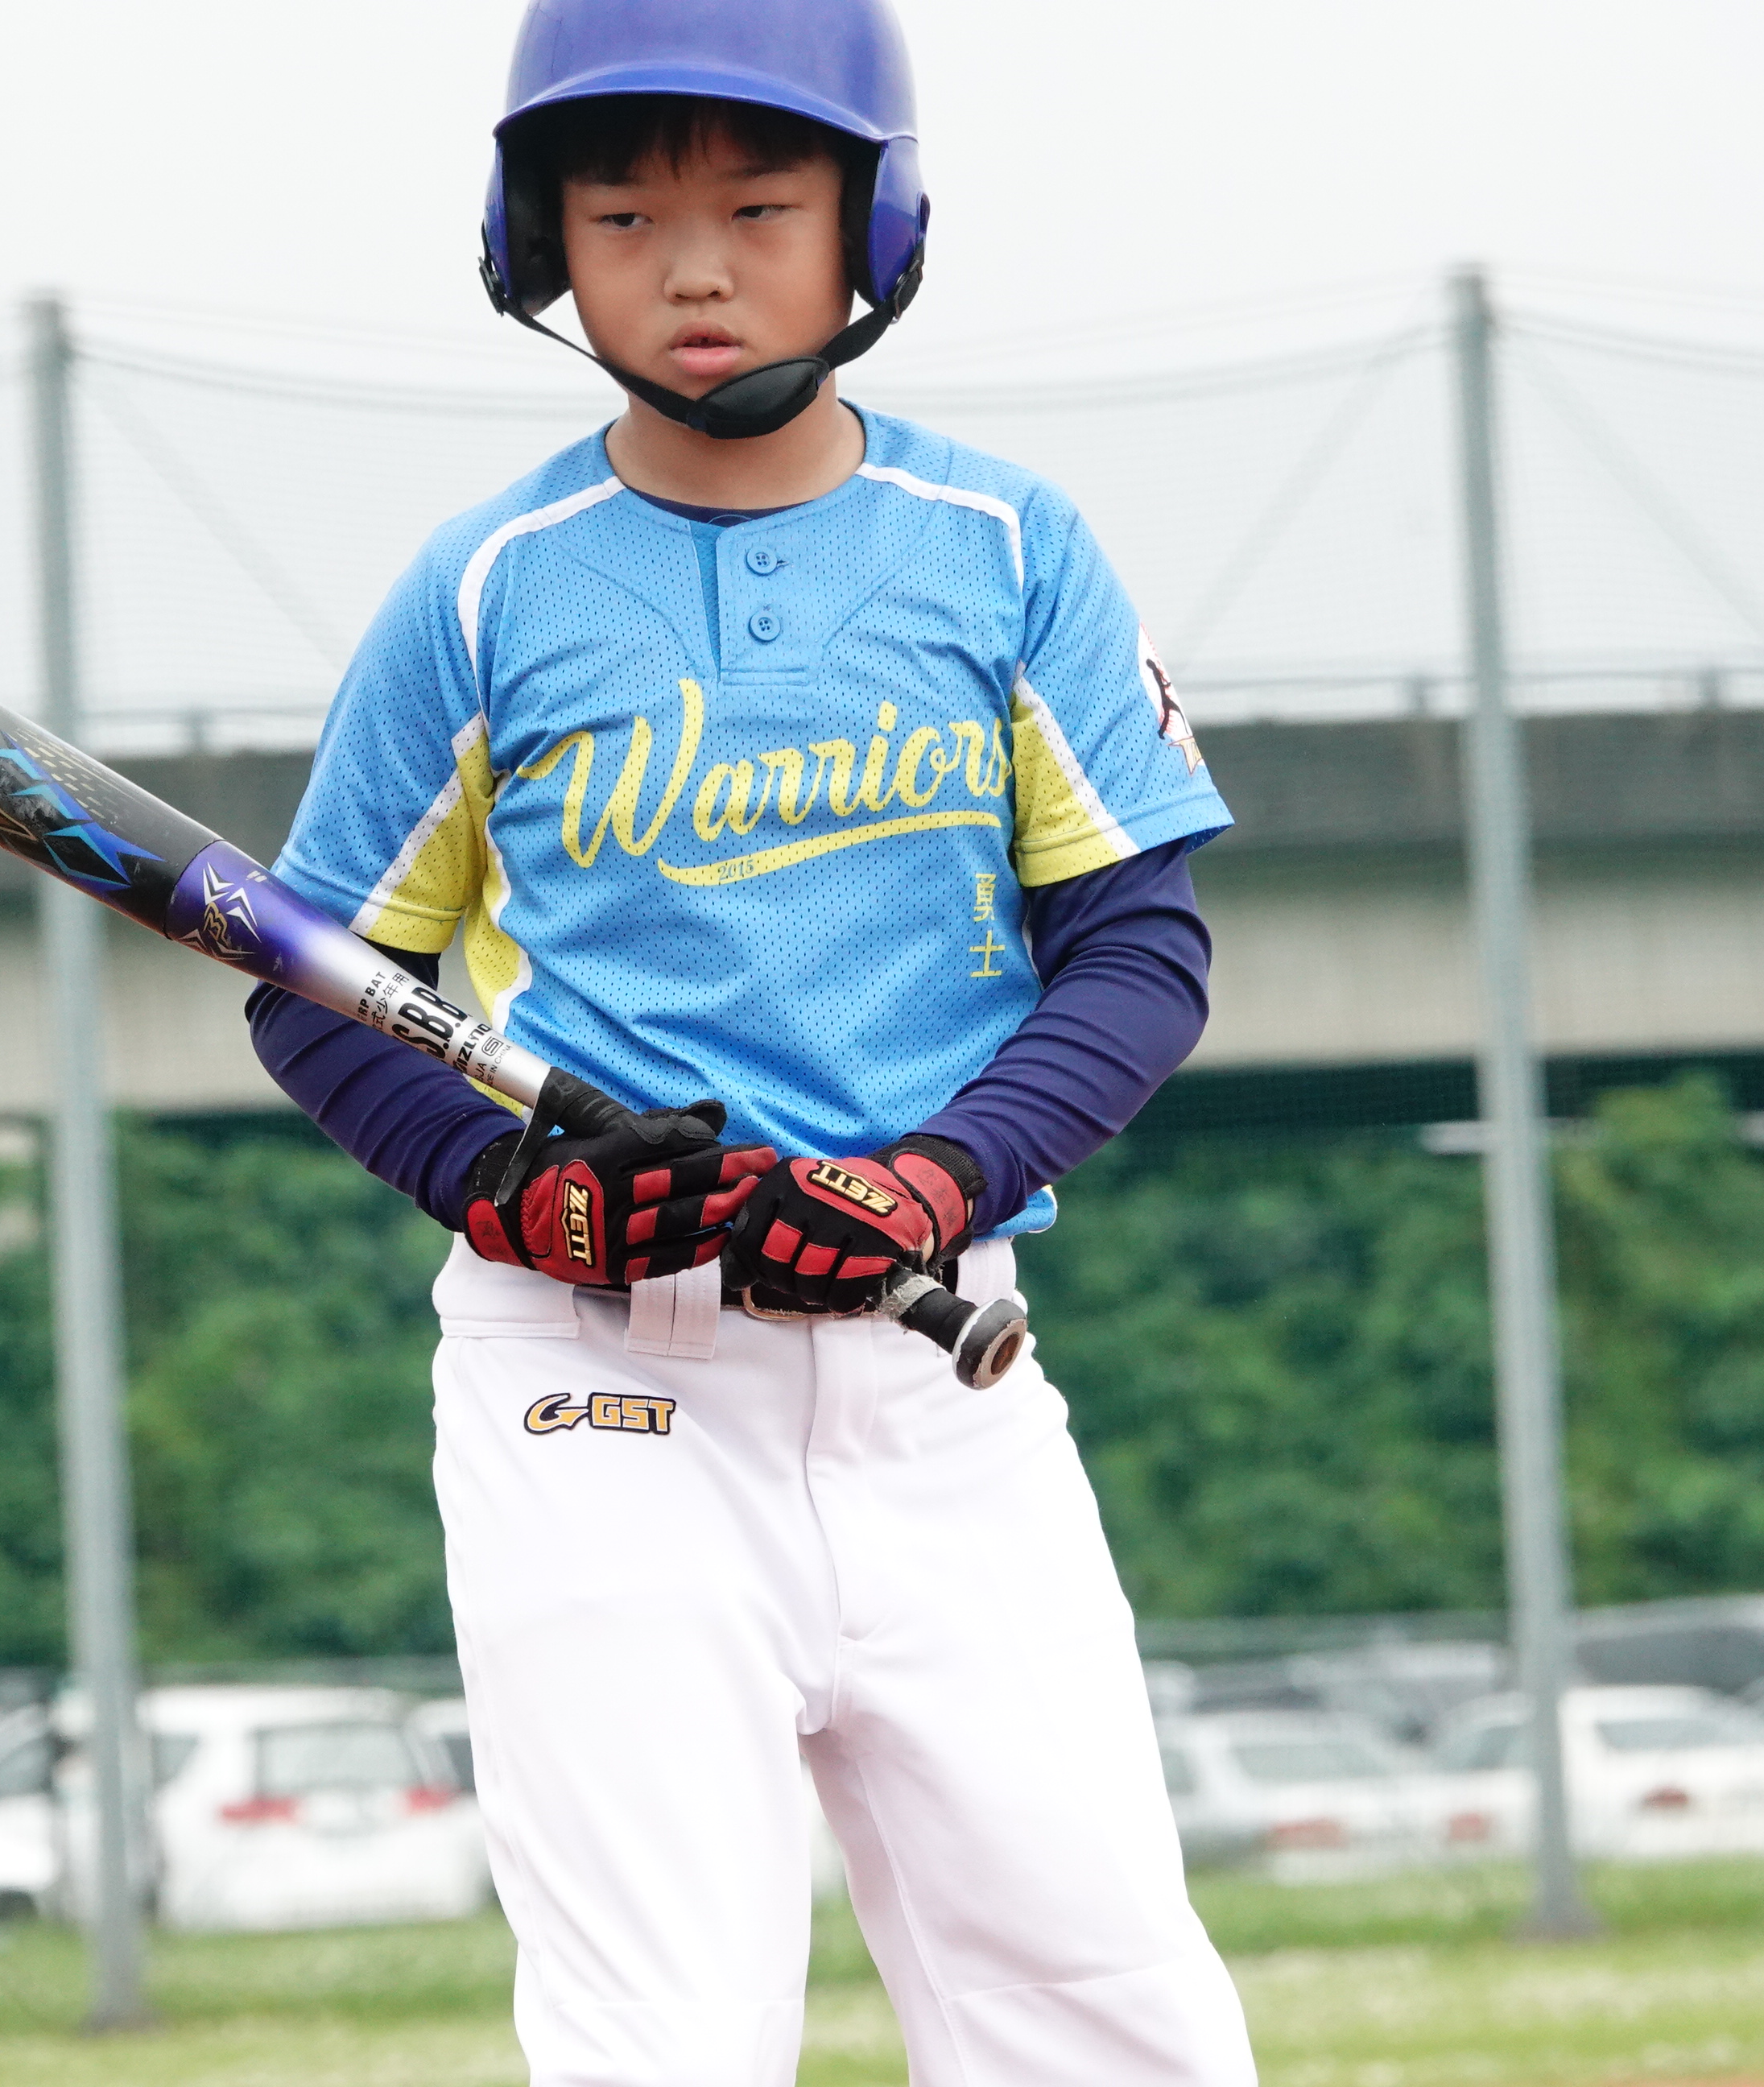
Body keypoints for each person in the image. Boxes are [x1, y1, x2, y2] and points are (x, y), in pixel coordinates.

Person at [243, 5, 1252, 2081]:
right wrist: (516, 1192)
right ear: (544, 239)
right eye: (625, 214)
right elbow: (318, 984)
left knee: (1106, 2007)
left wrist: (931, 1179)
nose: (693, 268)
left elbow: (1139, 953)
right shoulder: (487, 590)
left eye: (760, 207)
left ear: (871, 223)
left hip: (943, 1359)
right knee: (661, 2030)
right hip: (597, 1385)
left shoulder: (1006, 548)